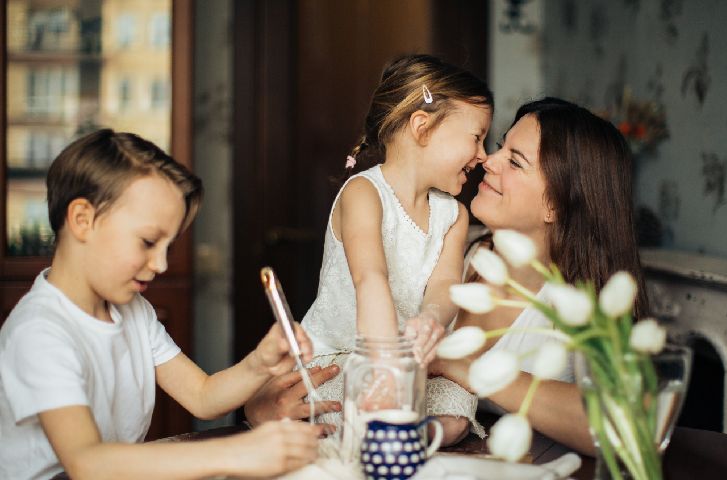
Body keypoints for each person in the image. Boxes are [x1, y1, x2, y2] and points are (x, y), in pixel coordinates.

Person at [0, 129, 322, 480]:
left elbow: (202, 395)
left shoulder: (132, 310)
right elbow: (87, 463)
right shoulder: (39, 332)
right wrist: (236, 452)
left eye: (168, 247)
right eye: (149, 242)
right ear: (83, 220)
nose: (162, 264)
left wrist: (260, 364)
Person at [430, 97, 649, 455]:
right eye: (501, 146)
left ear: (556, 205)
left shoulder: (585, 303)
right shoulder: (452, 248)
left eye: (515, 161)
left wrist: (474, 370)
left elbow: (622, 426)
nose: (488, 159)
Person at [300, 54, 493, 446]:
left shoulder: (453, 215)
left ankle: (404, 436)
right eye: (477, 137)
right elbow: (370, 279)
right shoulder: (364, 193)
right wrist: (387, 370)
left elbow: (444, 287)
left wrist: (432, 320)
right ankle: (387, 432)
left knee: (457, 408)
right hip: (343, 358)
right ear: (422, 127)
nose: (484, 155)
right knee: (350, 405)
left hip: (413, 366)